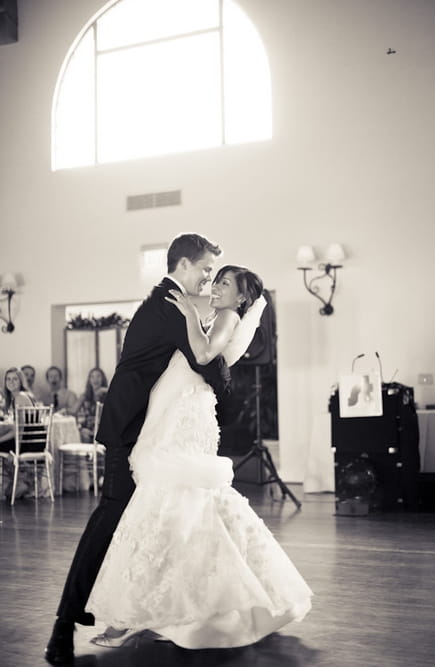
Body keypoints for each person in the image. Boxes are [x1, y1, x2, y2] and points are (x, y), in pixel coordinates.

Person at [86, 265, 312, 649]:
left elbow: (205, 353)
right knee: (178, 505)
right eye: (217, 279)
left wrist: (190, 315)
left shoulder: (225, 316)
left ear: (241, 297)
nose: (216, 286)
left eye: (225, 282)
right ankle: (168, 609)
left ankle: (135, 613)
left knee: (167, 500)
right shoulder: (217, 315)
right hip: (175, 410)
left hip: (184, 417)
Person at [45, 233, 229, 665]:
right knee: (108, 522)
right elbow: (208, 366)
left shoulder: (170, 302)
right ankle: (63, 625)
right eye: (204, 268)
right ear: (183, 265)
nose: (208, 277)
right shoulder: (170, 306)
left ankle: (151, 613)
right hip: (127, 434)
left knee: (152, 523)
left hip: (148, 436)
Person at [0, 367, 37, 452]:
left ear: (21, 381)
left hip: (28, 443)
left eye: (15, 379)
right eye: (8, 379)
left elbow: (18, 430)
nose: (11, 382)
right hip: (26, 439)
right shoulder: (18, 397)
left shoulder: (20, 397)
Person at [74, 368, 108, 443]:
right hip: (87, 429)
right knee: (84, 435)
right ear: (89, 380)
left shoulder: (108, 395)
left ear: (103, 379)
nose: (95, 379)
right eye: (92, 377)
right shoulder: (84, 396)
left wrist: (104, 390)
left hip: (104, 429)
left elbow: (119, 396)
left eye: (98, 376)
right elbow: (74, 411)